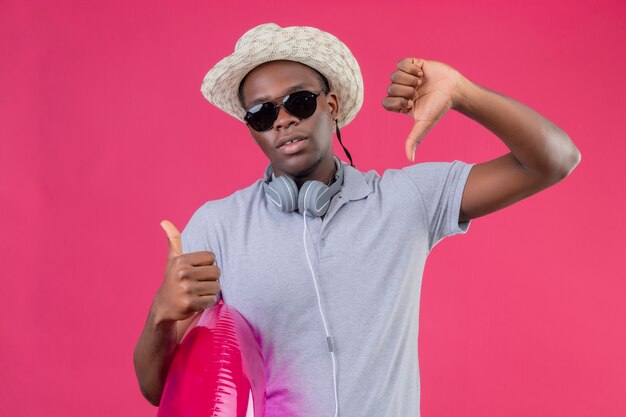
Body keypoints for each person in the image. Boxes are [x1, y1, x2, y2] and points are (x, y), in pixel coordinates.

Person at [133, 23, 581, 416]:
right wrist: (161, 314)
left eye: (300, 102)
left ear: (331, 103)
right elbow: (160, 394)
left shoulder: (406, 200)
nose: (283, 121)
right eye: (263, 112)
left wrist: (464, 93)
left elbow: (554, 160)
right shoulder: (216, 227)